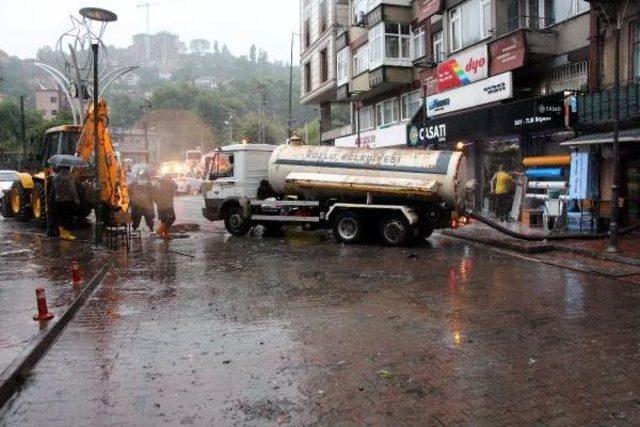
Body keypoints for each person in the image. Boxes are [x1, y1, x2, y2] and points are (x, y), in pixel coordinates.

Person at [52, 166, 80, 241]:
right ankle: (66, 235)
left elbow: (55, 187)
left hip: (58, 200)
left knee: (61, 217)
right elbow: (72, 189)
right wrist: (76, 199)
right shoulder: (69, 177)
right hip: (67, 200)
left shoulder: (56, 177)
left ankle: (61, 233)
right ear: (68, 168)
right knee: (67, 218)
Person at [45, 171, 59, 238]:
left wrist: (47, 199)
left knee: (51, 217)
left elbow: (47, 190)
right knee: (55, 217)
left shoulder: (50, 178)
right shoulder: (57, 178)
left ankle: (50, 232)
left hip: (51, 200)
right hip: (56, 200)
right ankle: (54, 232)